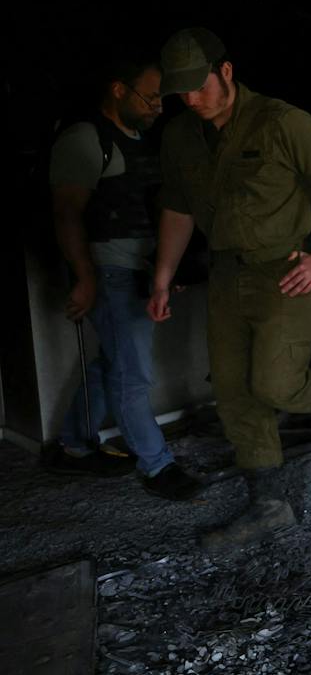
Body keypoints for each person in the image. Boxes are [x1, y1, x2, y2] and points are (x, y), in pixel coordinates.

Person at [146, 28, 311, 550]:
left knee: (277, 384)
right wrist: (163, 275)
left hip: (284, 271)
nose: (192, 99)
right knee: (234, 393)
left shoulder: (282, 121)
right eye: (181, 91)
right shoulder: (180, 137)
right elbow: (178, 208)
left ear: (227, 72)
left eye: (200, 85)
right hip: (223, 276)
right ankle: (269, 504)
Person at [42, 53, 202, 499]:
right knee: (132, 374)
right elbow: (67, 214)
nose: (157, 106)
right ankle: (157, 465)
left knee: (113, 362)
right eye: (150, 97)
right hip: (110, 271)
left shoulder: (136, 140)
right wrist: (85, 277)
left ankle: (73, 444)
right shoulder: (86, 138)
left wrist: (166, 272)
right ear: (119, 90)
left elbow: (152, 214)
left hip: (139, 269)